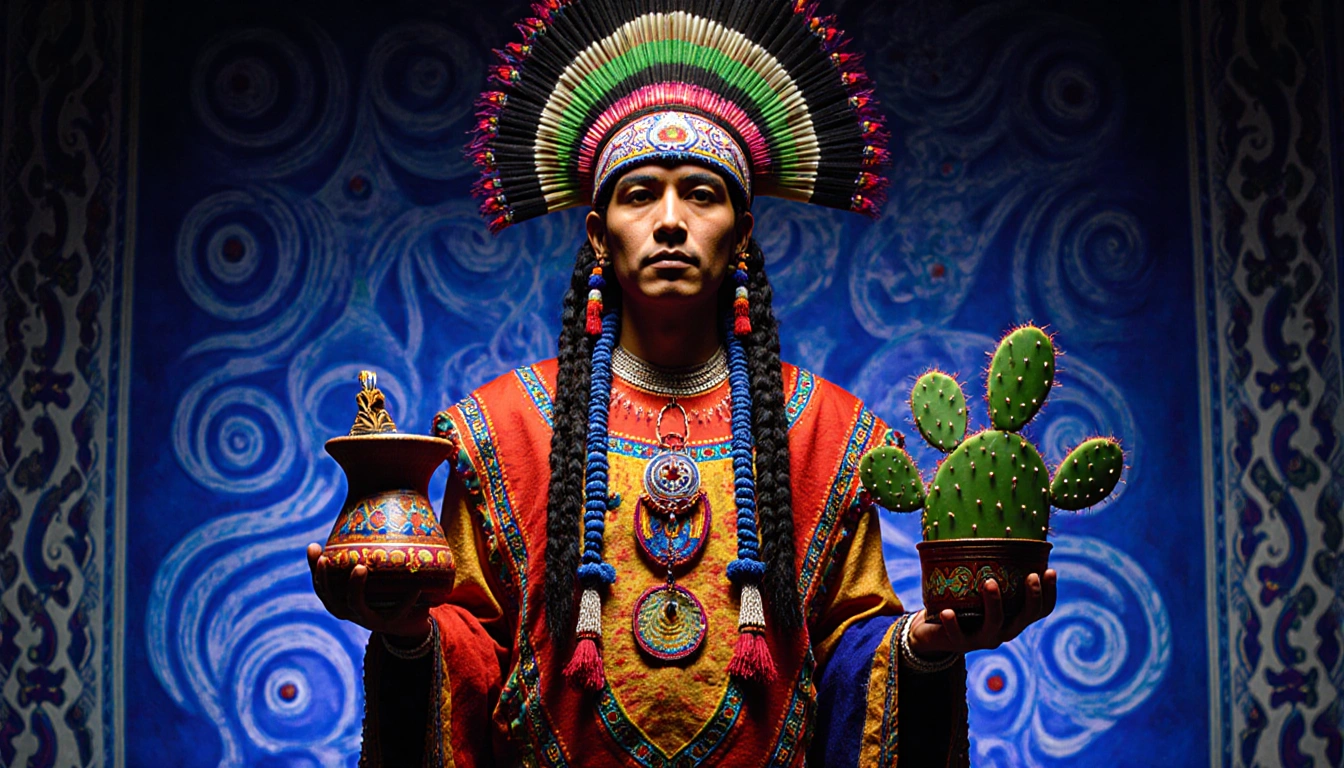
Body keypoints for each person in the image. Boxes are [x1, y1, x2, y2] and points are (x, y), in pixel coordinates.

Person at [308, 1, 1057, 765]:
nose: (671, 221)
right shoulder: (499, 431)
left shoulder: (827, 435)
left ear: (742, 228)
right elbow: (471, 645)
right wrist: (408, 633)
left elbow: (849, 649)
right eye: (640, 194)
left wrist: (921, 648)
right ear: (599, 232)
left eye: (701, 193)